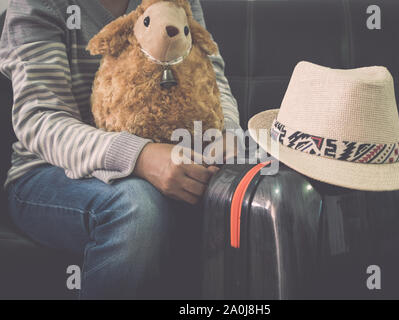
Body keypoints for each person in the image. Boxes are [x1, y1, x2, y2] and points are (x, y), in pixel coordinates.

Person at [0, 0, 241, 299]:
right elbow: (41, 119)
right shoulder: (41, 5)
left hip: (172, 158)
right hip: (48, 171)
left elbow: (211, 77)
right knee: (137, 208)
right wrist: (140, 156)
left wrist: (227, 134)